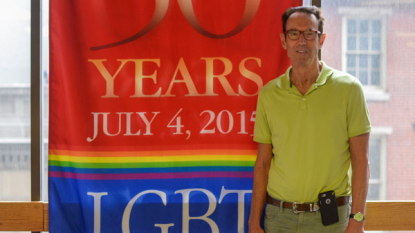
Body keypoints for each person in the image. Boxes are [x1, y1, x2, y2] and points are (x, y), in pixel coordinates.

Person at [248, 6, 371, 233]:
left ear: (321, 40)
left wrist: (358, 219)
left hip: (333, 220)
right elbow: (263, 164)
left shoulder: (349, 89)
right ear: (284, 41)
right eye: (293, 33)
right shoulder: (268, 94)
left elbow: (361, 159)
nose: (301, 41)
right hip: (278, 219)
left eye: (309, 34)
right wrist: (254, 221)